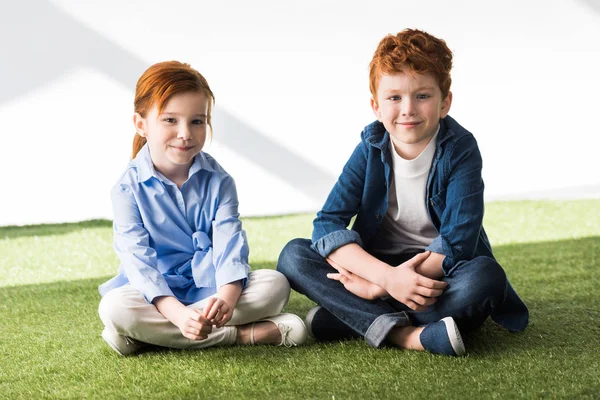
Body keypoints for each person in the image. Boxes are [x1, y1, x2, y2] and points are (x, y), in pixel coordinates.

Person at [277, 29, 528, 356]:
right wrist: (386, 276)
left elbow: (458, 243)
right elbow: (328, 224)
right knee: (293, 256)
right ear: (376, 107)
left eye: (422, 96)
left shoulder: (461, 149)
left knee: (484, 278)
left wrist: (376, 288)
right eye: (394, 98)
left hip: (437, 272)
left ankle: (351, 318)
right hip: (377, 262)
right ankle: (409, 335)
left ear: (444, 102)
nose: (408, 109)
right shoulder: (370, 147)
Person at [98, 61, 307, 356]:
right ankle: (242, 336)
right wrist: (179, 316)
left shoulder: (220, 181)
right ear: (141, 124)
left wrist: (227, 298)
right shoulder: (126, 189)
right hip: (156, 296)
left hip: (210, 288)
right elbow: (138, 264)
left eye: (197, 121)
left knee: (276, 285)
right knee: (115, 308)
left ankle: (146, 337)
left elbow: (230, 246)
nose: (186, 133)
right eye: (170, 120)